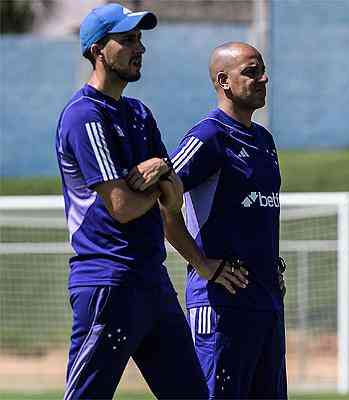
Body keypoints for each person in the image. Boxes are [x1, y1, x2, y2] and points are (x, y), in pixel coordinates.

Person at [55, 4, 214, 398]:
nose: (138, 47)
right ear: (97, 50)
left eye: (139, 39)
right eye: (126, 40)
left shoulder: (140, 114)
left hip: (152, 282)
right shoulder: (84, 116)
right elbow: (122, 208)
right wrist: (155, 185)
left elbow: (173, 200)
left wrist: (157, 174)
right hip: (109, 283)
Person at [164, 41, 287, 399]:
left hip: (265, 302)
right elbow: (158, 203)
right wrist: (201, 263)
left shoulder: (264, 139)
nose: (263, 78)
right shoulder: (208, 136)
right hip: (221, 305)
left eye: (263, 69)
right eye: (251, 71)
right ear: (224, 81)